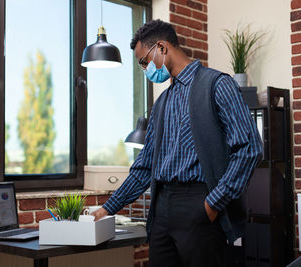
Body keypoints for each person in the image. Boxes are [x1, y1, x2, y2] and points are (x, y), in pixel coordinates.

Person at [92, 19, 263, 267]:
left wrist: (213, 204)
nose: (145, 70)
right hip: (161, 208)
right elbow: (144, 167)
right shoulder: (162, 103)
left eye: (144, 62)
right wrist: (107, 208)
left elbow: (249, 149)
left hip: (199, 204)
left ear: (161, 47)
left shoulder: (217, 84)